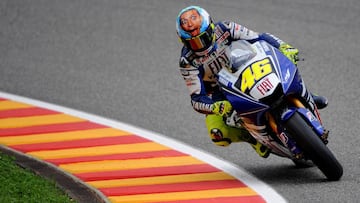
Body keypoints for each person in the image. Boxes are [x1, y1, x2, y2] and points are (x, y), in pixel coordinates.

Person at [175, 6, 328, 158]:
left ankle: (305, 94)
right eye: (194, 42)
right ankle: (252, 138)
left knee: (284, 68)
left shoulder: (226, 28)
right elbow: (196, 99)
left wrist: (284, 47)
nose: (201, 45)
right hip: (220, 92)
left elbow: (260, 37)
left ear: (211, 27)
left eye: (203, 37)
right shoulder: (187, 62)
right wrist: (215, 107)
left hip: (246, 68)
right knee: (217, 133)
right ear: (183, 41)